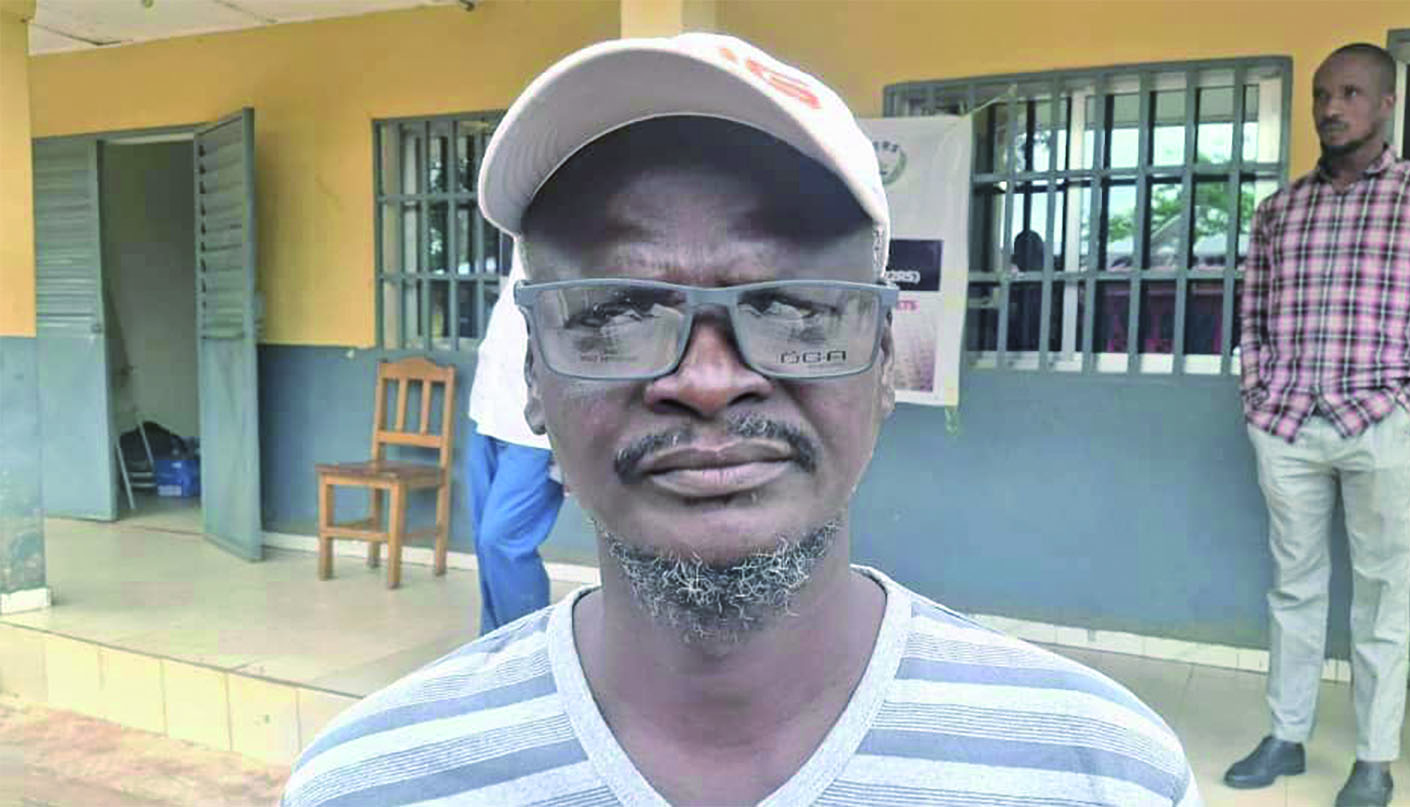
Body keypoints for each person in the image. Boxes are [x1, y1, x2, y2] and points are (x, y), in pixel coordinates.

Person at [283, 33, 1198, 806]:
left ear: (884, 357)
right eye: (617, 310)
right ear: (532, 372)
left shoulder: (1104, 774)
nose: (708, 380)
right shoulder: (369, 784)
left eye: (794, 304)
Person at [1227, 43, 1410, 807]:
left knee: (1379, 597)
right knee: (1292, 587)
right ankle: (1285, 735)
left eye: (1349, 93)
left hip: (1378, 423)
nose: (1329, 107)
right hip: (1286, 425)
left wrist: (1409, 407)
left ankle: (1374, 756)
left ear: (1384, 104)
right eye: (1321, 94)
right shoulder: (1279, 210)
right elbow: (1252, 318)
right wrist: (1257, 398)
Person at [464, 270, 565, 634]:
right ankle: (493, 644)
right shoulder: (519, 248)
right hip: (486, 413)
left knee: (503, 539)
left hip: (533, 433)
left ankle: (530, 644)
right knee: (484, 541)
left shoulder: (569, 253)